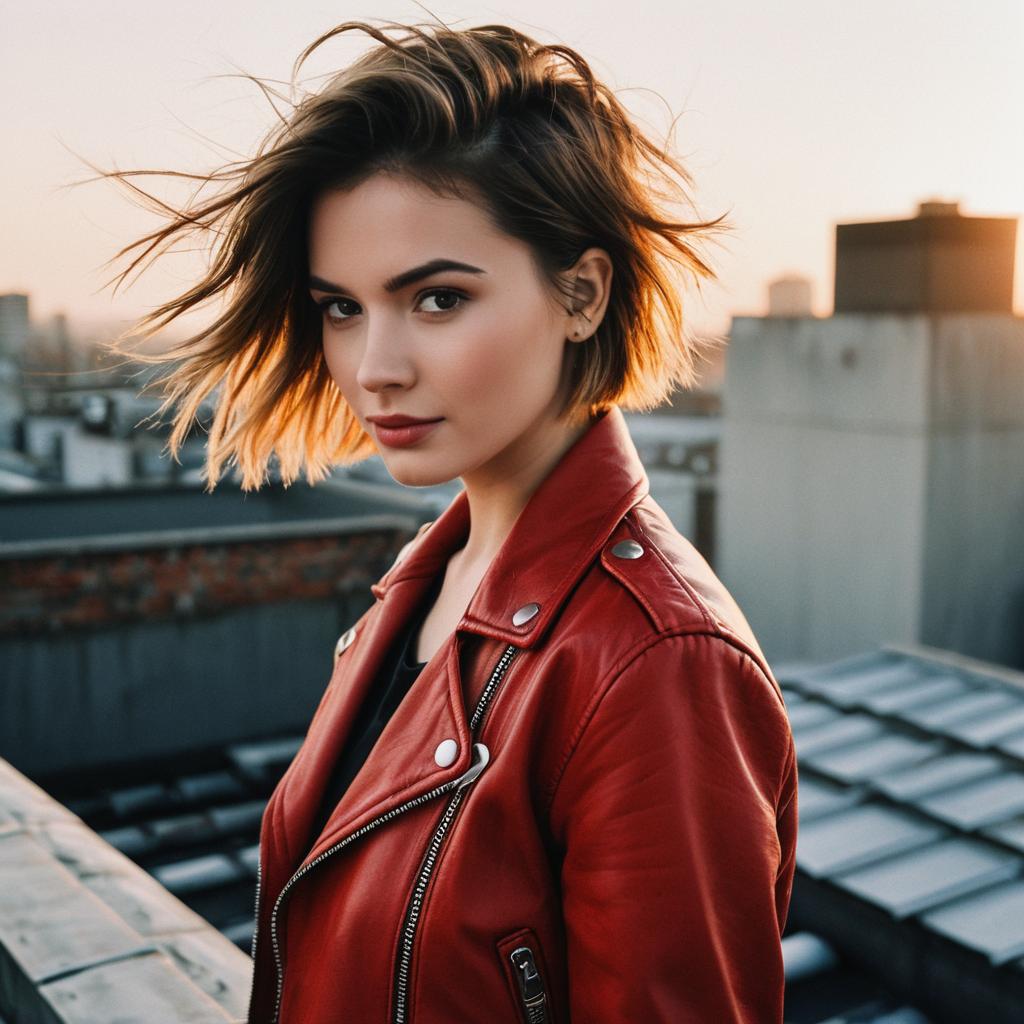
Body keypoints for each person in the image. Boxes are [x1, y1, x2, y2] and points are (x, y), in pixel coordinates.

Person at [106, 19, 798, 1024]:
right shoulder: (423, 581)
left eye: (434, 298)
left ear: (581, 293)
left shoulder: (655, 665)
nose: (374, 366)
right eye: (340, 307)